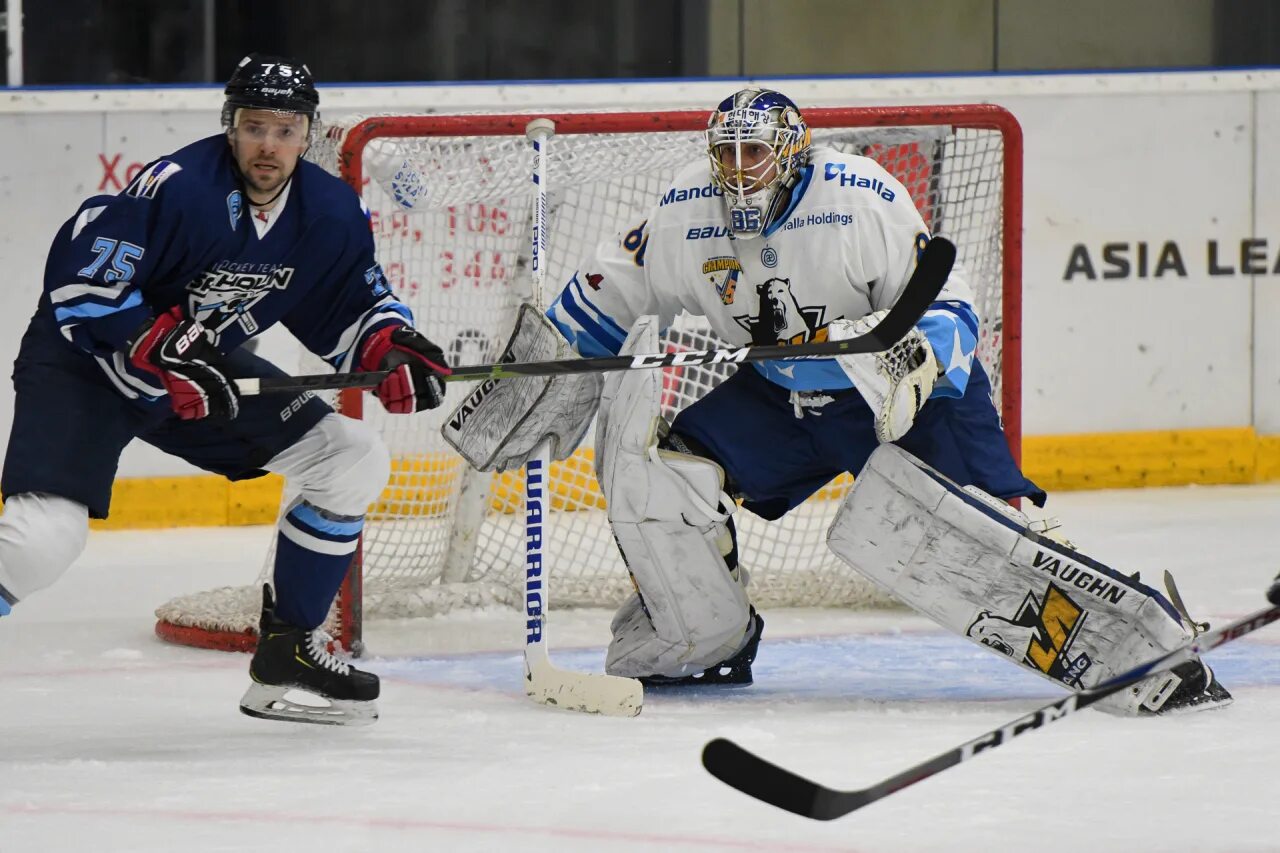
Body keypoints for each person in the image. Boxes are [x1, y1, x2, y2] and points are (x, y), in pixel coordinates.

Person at [445, 88, 1231, 716]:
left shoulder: (857, 196)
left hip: (895, 394)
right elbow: (602, 301)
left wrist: (906, 362)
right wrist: (537, 376)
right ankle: (708, 633)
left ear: (792, 155)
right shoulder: (685, 215)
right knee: (662, 474)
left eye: (756, 152)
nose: (740, 168)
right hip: (779, 396)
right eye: (728, 152)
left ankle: (1121, 628)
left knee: (993, 529)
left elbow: (951, 307)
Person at [0, 54, 451, 726]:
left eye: (286, 129)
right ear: (230, 127)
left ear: (308, 134)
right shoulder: (178, 186)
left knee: (349, 455)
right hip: (85, 369)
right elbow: (80, 281)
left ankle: (288, 655)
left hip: (198, 375)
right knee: (43, 542)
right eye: (254, 126)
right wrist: (153, 343)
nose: (269, 145)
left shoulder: (327, 213)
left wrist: (390, 348)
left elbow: (351, 308)